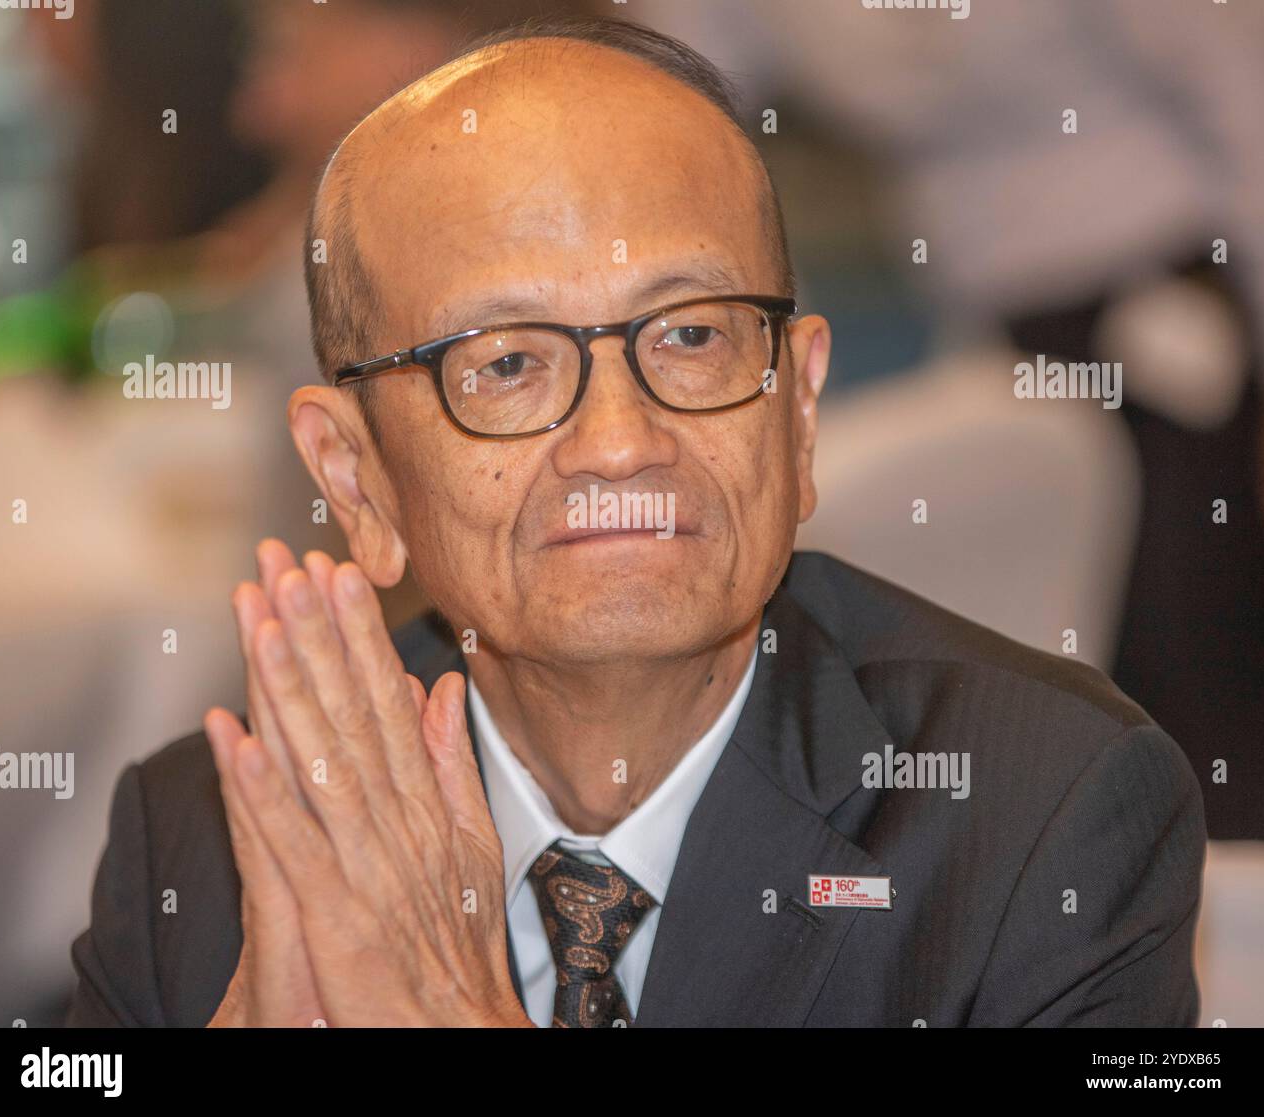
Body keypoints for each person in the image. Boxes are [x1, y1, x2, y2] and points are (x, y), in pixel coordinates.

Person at [65, 14, 1205, 1028]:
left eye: (693, 337)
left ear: (797, 414)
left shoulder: (1048, 811)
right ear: (357, 481)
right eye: (504, 362)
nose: (620, 441)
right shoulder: (207, 835)